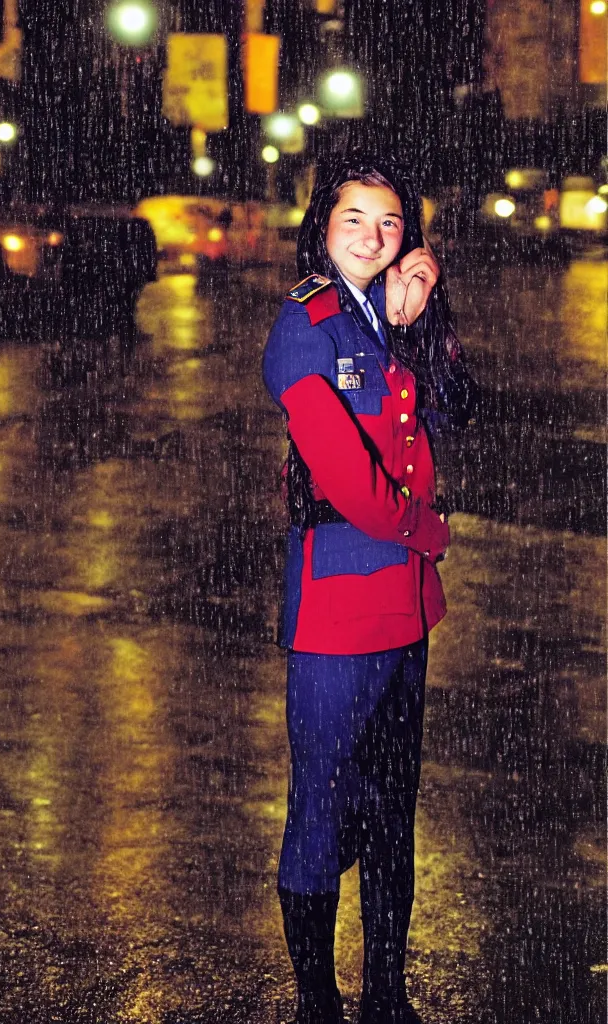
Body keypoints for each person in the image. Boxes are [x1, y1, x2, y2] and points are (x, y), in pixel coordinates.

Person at [262, 156, 473, 1024]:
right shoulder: (304, 326)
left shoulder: (393, 321)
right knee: (323, 801)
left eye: (390, 224)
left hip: (404, 608)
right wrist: (428, 532)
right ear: (323, 227)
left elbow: (457, 410)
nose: (372, 237)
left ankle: (387, 991)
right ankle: (318, 999)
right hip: (339, 598)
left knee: (395, 808)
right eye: (355, 219)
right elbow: (345, 476)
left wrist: (424, 320)